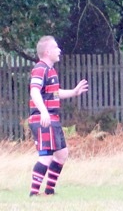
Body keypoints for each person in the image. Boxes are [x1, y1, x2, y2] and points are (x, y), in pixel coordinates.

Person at [28, 36, 89, 197]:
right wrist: (43, 112)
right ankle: (34, 193)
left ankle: (49, 191)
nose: (59, 50)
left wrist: (74, 92)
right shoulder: (40, 69)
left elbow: (55, 93)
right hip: (43, 119)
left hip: (52, 119)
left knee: (62, 154)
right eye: (56, 47)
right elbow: (34, 91)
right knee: (46, 157)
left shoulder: (51, 71)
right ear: (47, 52)